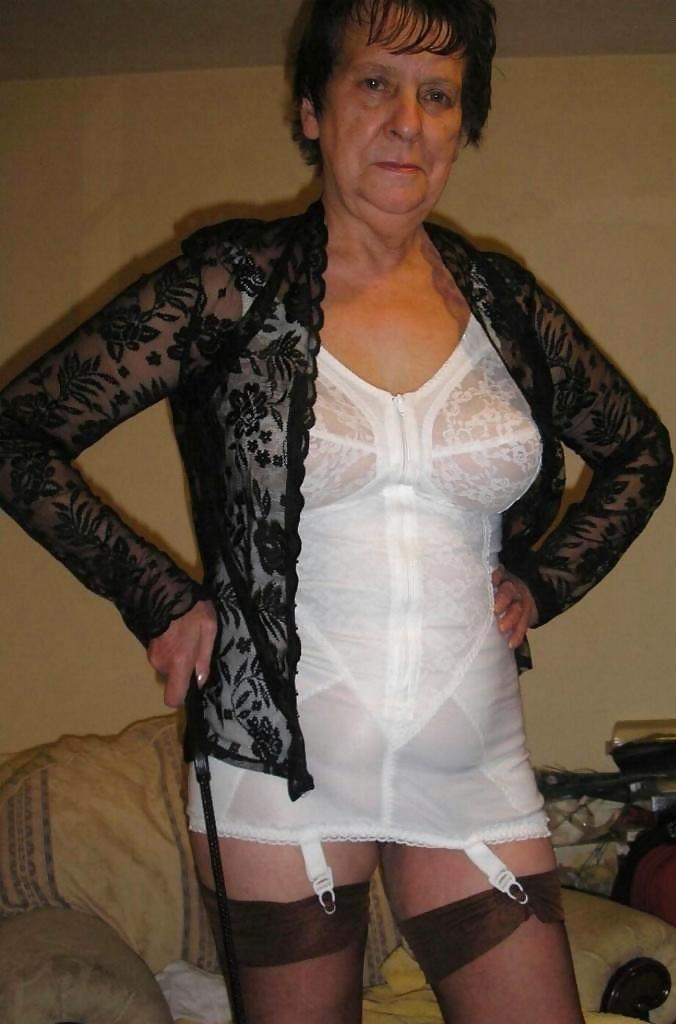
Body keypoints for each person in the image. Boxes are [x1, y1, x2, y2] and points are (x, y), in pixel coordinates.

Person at [0, 0, 672, 1021]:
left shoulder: (504, 304)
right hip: (279, 770)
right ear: (313, 110)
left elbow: (640, 450)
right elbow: (19, 433)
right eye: (375, 83)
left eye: (438, 94)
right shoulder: (233, 288)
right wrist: (158, 598)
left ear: (462, 123)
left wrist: (543, 581)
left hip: (471, 761)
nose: (408, 120)